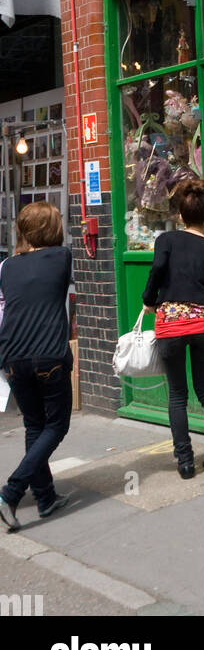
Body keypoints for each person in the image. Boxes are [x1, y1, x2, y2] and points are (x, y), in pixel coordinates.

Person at [142, 178, 204, 478]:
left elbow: (157, 270)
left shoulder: (165, 241)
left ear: (179, 216)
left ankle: (185, 462)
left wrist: (149, 299)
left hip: (171, 325)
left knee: (177, 394)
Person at [0, 202, 73, 531]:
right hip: (49, 356)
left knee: (34, 426)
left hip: (13, 358)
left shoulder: (6, 267)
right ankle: (11, 492)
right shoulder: (62, 258)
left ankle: (44, 497)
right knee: (55, 427)